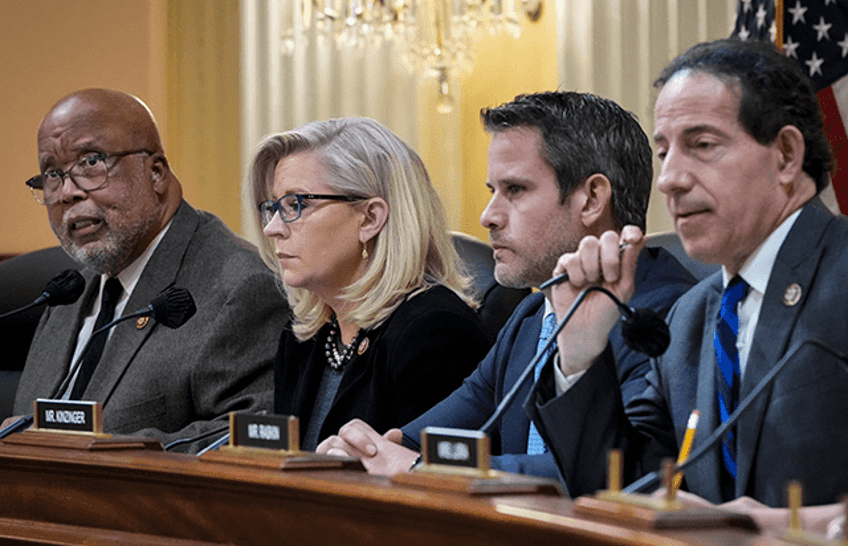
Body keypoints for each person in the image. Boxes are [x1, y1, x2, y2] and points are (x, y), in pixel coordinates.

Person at [528, 39, 848, 520]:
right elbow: (619, 490)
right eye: (663, 152)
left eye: (702, 145)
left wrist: (785, 527)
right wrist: (580, 354)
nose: (670, 179)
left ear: (785, 154)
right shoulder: (691, 317)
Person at [316, 91, 696, 478]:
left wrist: (421, 467)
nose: (487, 216)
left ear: (591, 199)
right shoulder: (531, 316)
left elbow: (617, 473)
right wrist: (363, 450)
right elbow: (420, 440)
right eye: (491, 191)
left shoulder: (669, 318)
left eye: (515, 190)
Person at [10, 88, 289, 450]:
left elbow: (247, 442)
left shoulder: (240, 287)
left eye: (91, 163)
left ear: (156, 173)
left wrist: (101, 449)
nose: (66, 193)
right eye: (51, 174)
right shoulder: (67, 294)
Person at [250, 117, 491, 451]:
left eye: (296, 205)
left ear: (371, 219)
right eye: (273, 207)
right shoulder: (304, 335)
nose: (272, 228)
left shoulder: (434, 332)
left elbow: (426, 484)